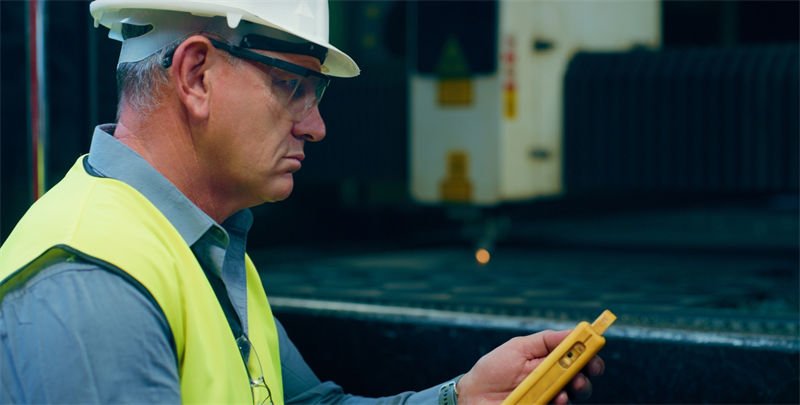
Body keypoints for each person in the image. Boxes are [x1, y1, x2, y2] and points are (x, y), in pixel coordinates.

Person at [0, 1, 604, 404]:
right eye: (292, 86)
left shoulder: (198, 246)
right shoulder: (93, 287)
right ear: (196, 75)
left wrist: (462, 397)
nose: (314, 126)